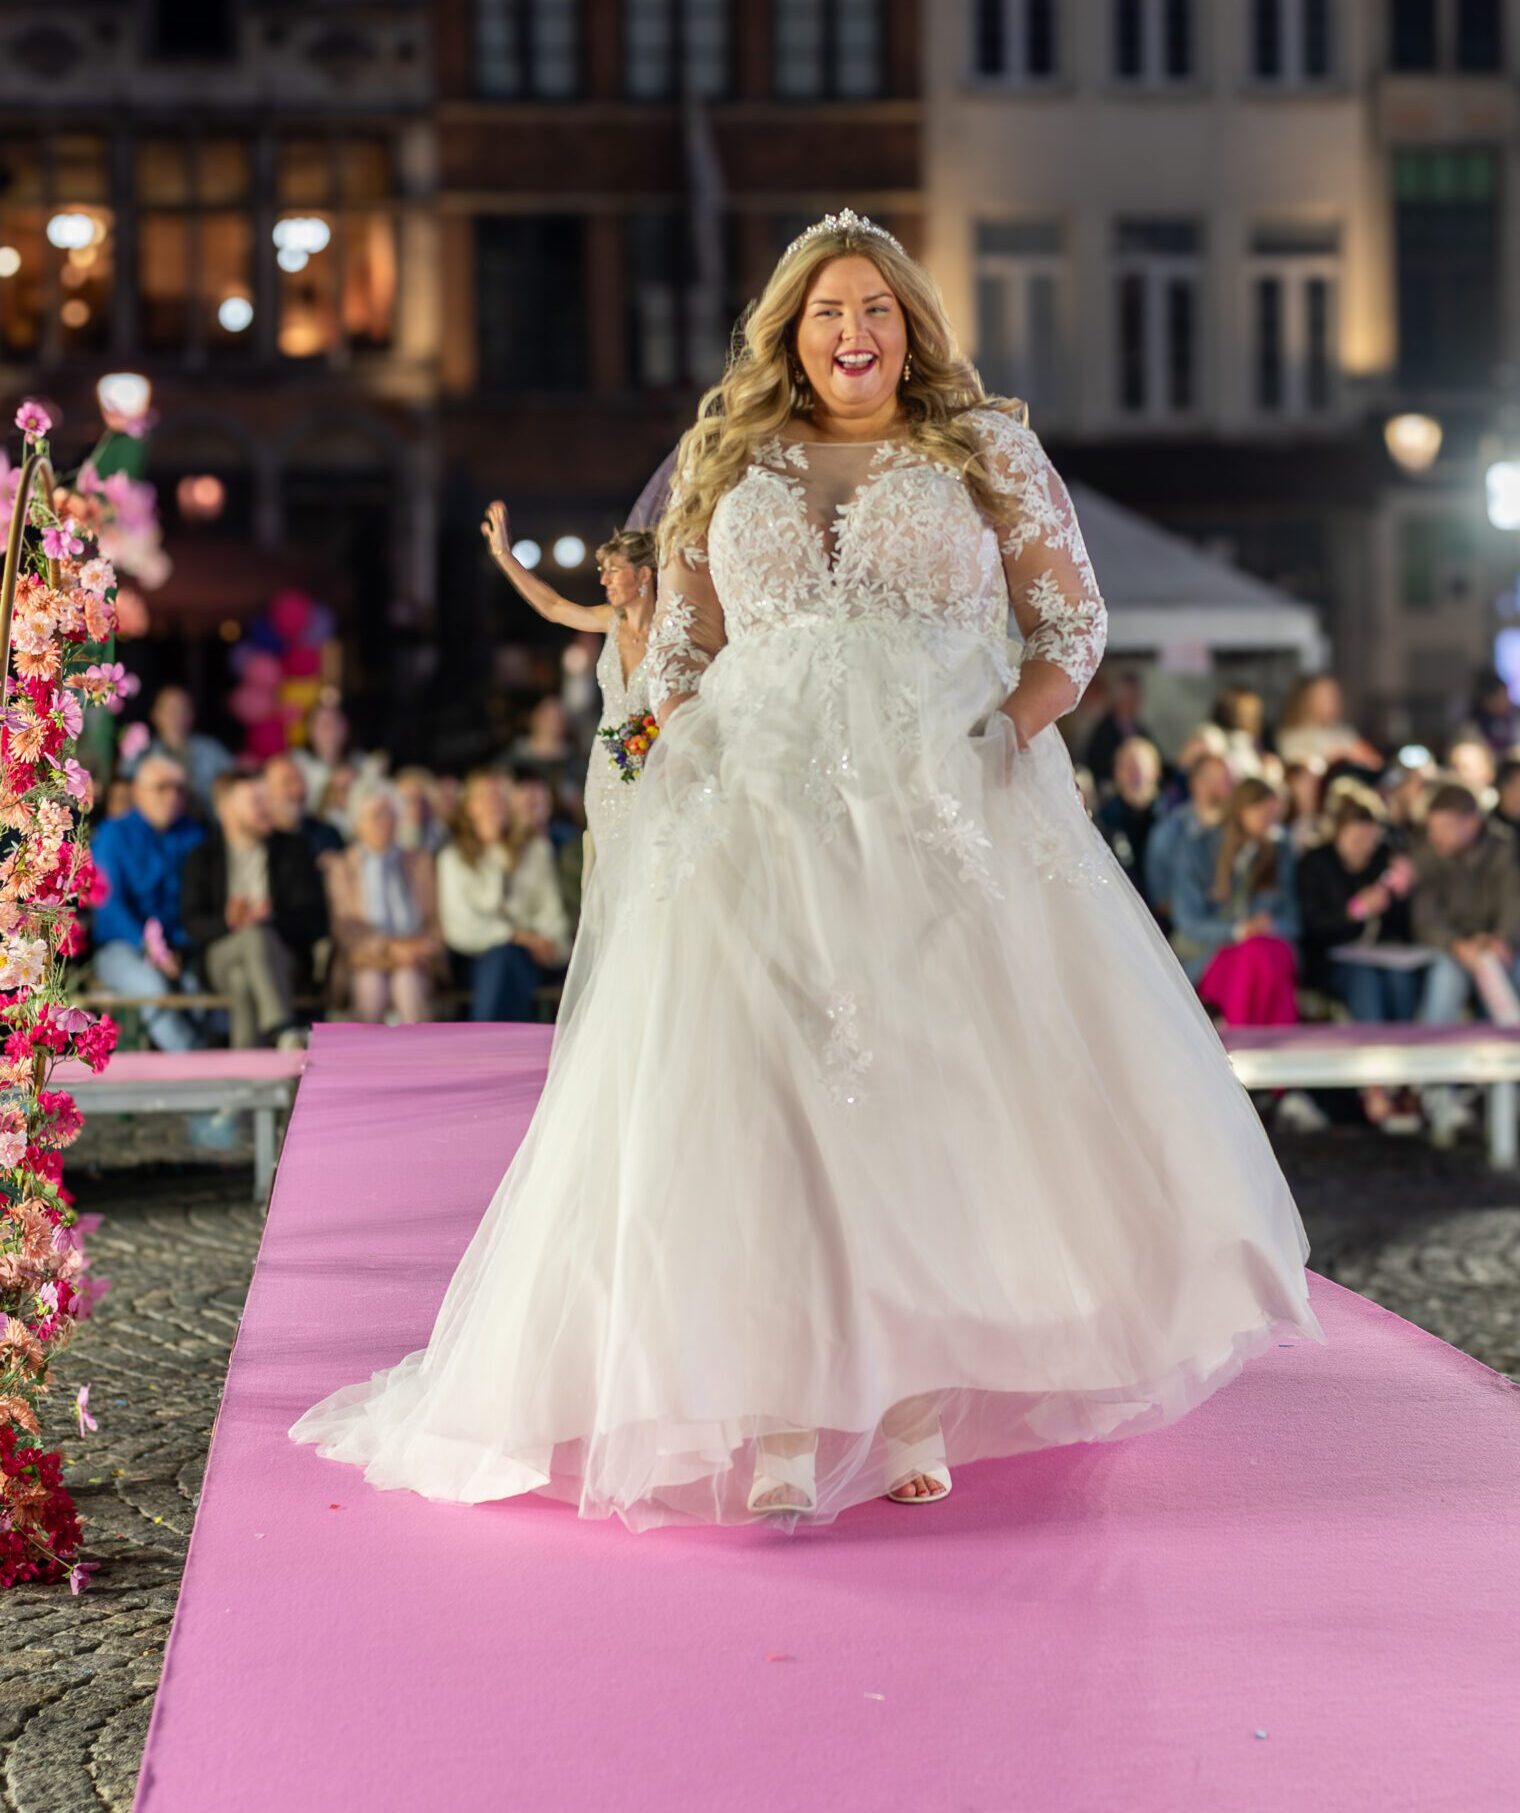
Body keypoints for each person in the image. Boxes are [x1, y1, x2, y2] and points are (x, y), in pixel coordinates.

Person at [291, 208, 1323, 1529]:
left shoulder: (985, 448)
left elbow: (1069, 623)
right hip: (757, 819)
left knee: (927, 1100)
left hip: (937, 818)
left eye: (876, 309)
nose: (854, 332)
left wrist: (1007, 733)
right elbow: (680, 649)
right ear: (790, 332)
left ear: (909, 327)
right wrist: (672, 747)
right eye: (829, 311)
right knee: (759, 1115)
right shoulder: (723, 455)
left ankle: (912, 1402)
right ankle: (778, 1409)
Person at [481, 512, 656, 890]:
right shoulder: (610, 620)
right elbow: (553, 607)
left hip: (659, 765)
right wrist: (504, 556)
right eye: (603, 571)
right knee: (611, 870)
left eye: (614, 571)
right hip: (607, 767)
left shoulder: (674, 631)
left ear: (644, 575)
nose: (603, 580)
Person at [1296, 785, 1424, 1129]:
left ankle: (1406, 1079)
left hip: (1383, 957)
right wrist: (1354, 912)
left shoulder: (1384, 861)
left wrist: (1402, 894)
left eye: (1370, 839)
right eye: (1356, 839)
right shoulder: (1316, 864)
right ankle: (1375, 1084)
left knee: (1401, 981)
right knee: (1364, 982)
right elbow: (1312, 926)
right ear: (1339, 833)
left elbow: (1404, 929)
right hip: (1332, 960)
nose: (1364, 847)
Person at [180, 770, 328, 1049]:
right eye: (256, 802)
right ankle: (282, 1028)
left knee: (242, 978)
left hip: (283, 956)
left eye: (266, 800)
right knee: (252, 936)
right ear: (226, 810)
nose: (266, 809)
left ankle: (247, 1066)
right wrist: (229, 920)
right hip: (221, 955)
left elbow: (315, 920)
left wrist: (272, 917)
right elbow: (192, 923)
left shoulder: (293, 850)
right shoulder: (201, 857)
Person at [1411, 783, 1520, 1143]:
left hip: (1499, 948)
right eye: (1433, 828)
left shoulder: (1505, 851)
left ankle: (1510, 1086)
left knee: (1509, 977)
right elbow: (1425, 918)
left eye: (1444, 827)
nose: (1436, 837)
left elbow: (1514, 903)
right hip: (1453, 950)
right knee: (1445, 978)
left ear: (1471, 823)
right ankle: (1436, 1089)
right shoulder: (1428, 856)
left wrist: (1501, 940)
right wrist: (1457, 946)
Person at [89, 754, 209, 1051]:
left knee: (198, 991)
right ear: (138, 792)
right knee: (153, 989)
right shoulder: (114, 834)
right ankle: (196, 1064)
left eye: (179, 789)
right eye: (162, 788)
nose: (172, 796)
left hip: (182, 948)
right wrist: (153, 950)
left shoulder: (194, 836)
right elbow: (110, 906)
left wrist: (177, 949)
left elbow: (200, 901)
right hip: (123, 947)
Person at [436, 770, 571, 1022]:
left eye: (500, 796)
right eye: (485, 796)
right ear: (470, 807)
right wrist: (515, 936)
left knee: (512, 960)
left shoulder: (535, 851)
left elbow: (550, 909)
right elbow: (460, 925)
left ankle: (491, 1038)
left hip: (533, 955)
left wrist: (550, 942)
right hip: (476, 954)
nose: (494, 803)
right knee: (503, 958)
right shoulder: (453, 859)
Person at [324, 785, 445, 1024]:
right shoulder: (341, 867)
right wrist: (392, 950)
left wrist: (422, 948)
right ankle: (364, 1050)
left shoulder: (420, 861)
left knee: (408, 983)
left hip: (416, 958)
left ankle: (420, 1048)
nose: (384, 821)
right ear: (358, 822)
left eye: (390, 814)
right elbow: (346, 929)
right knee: (371, 986)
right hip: (364, 959)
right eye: (376, 815)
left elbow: (434, 919)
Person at [121, 684, 234, 815]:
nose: (176, 716)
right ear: (155, 714)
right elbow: (123, 792)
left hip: (204, 821)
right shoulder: (140, 751)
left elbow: (233, 787)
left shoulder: (212, 751)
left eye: (183, 710)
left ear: (192, 714)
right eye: (169, 710)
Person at [1094, 736, 1165, 908]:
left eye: (1141, 765)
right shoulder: (1103, 823)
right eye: (1127, 766)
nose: (1134, 773)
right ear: (1116, 773)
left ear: (1157, 770)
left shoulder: (1172, 819)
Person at [1082, 669, 1154, 794]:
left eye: (1136, 696)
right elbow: (1096, 765)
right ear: (1119, 698)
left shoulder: (1141, 730)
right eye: (1130, 696)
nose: (1134, 701)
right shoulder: (1103, 732)